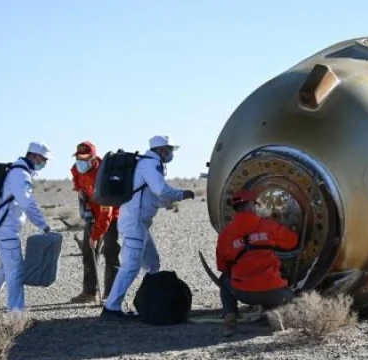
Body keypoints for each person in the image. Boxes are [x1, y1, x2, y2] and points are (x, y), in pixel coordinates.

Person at [102, 135, 195, 318]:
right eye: (169, 150)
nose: (170, 154)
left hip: (140, 224)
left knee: (152, 264)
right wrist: (181, 194)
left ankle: (149, 301)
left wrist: (167, 201)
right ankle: (111, 308)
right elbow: (161, 190)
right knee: (130, 266)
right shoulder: (150, 165)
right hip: (134, 223)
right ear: (161, 150)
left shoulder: (149, 165)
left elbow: (154, 196)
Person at [0, 141, 53, 313]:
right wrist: (44, 226)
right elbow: (28, 204)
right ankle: (16, 315)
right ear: (34, 156)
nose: (45, 164)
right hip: (5, 230)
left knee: (6, 267)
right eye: (43, 159)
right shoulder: (20, 174)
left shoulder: (16, 171)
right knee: (16, 271)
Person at [215, 189, 300, 336]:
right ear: (250, 206)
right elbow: (292, 242)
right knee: (288, 287)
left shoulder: (225, 234)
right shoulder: (268, 225)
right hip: (275, 294)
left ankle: (230, 322)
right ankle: (275, 316)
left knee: (224, 279)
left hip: (243, 294)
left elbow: (221, 266)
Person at [69, 140, 121, 304]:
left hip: (113, 218)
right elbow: (78, 184)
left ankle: (110, 294)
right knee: (88, 253)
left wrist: (96, 235)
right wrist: (81, 193)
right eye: (79, 158)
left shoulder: (103, 175)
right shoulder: (77, 169)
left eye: (85, 158)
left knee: (111, 254)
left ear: (93, 158)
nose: (81, 162)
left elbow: (107, 213)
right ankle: (89, 292)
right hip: (92, 215)